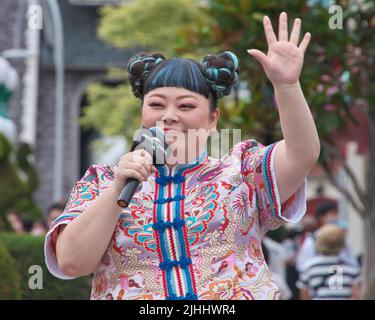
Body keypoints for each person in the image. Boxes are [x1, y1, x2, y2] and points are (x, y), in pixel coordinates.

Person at [44, 12, 320, 300]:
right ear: (142, 112)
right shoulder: (101, 182)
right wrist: (117, 189)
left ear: (213, 119)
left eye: (186, 106)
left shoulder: (243, 172)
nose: (169, 116)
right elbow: (72, 261)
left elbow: (303, 154)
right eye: (156, 104)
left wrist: (287, 87)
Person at [298, 224, 362, 300]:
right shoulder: (351, 268)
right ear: (342, 244)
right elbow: (357, 294)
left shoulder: (310, 267)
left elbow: (304, 293)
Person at [296, 203, 358, 273]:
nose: (336, 217)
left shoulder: (342, 238)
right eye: (333, 214)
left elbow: (352, 263)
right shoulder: (313, 239)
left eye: (336, 214)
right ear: (322, 218)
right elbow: (303, 265)